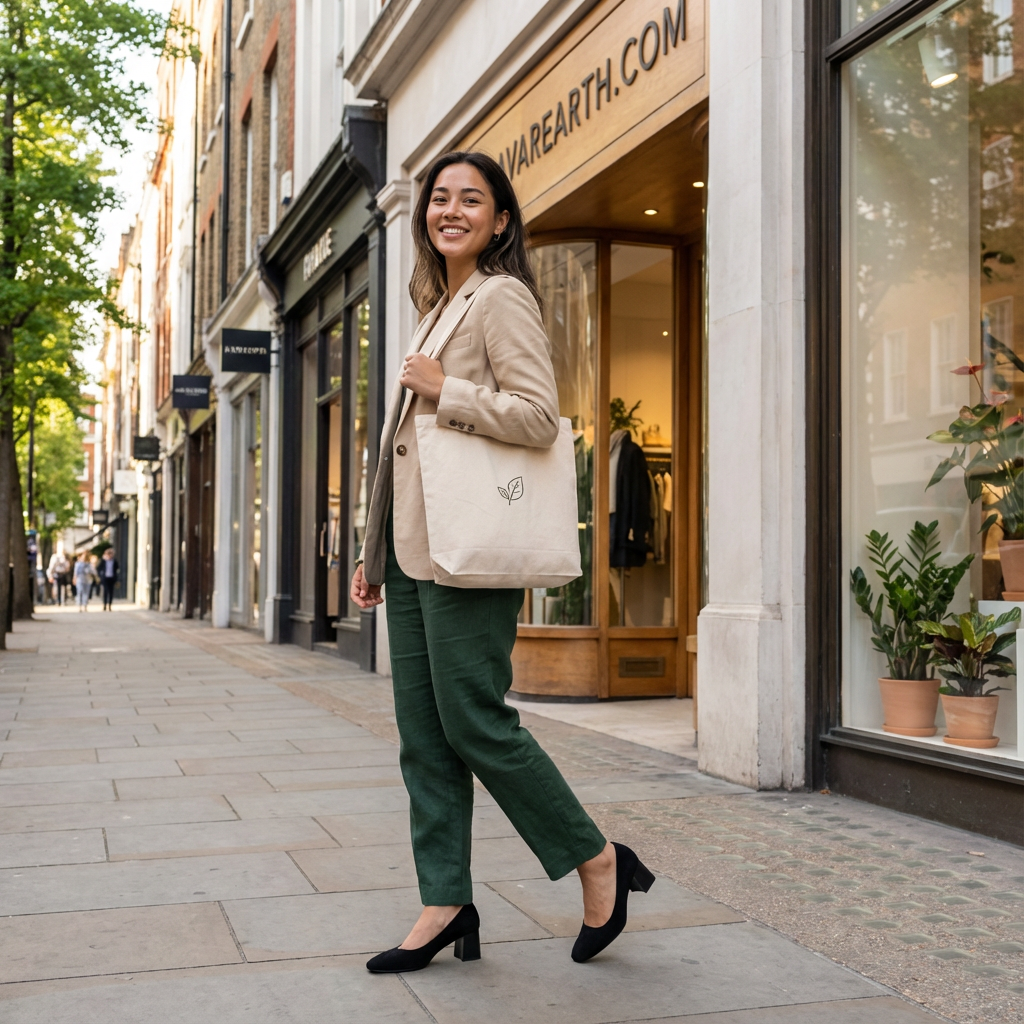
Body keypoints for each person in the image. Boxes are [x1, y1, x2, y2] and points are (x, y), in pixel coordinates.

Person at [351, 151, 654, 975]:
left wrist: (447, 389)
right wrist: (374, 550)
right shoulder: (433, 306)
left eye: (470, 200)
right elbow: (399, 451)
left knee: (476, 723)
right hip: (415, 554)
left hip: (469, 551)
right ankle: (445, 900)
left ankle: (597, 859)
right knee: (425, 738)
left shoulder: (501, 297)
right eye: (439, 199)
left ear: (500, 220)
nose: (450, 210)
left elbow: (538, 417)